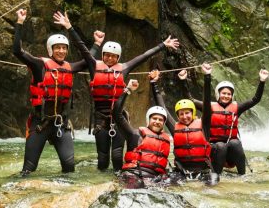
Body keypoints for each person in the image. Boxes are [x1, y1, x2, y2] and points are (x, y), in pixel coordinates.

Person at [13, 9, 104, 176]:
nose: (61, 51)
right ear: (50, 50)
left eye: (64, 48)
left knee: (69, 168)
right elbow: (17, 51)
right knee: (28, 169)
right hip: (40, 124)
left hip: (61, 124)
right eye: (57, 48)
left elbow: (88, 59)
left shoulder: (70, 68)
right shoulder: (39, 65)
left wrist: (95, 43)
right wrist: (19, 22)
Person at [75, 28, 179, 172]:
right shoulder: (94, 66)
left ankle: (119, 182)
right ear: (103, 55)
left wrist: (163, 45)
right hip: (100, 120)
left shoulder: (124, 68)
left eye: (114, 56)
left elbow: (143, 56)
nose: (110, 59)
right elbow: (83, 49)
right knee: (103, 158)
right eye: (107, 56)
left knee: (117, 156)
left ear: (118, 58)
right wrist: (70, 27)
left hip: (119, 118)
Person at [178, 68, 269, 175]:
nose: (226, 96)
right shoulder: (209, 107)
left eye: (228, 94)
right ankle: (216, 176)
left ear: (232, 96)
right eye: (223, 93)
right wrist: (182, 80)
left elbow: (255, 99)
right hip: (213, 150)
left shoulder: (237, 107)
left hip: (230, 150)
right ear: (218, 94)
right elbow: (190, 100)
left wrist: (262, 81)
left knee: (235, 143)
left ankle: (242, 175)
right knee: (221, 145)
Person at [150, 64, 217, 184]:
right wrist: (153, 83)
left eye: (187, 113)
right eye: (181, 114)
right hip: (182, 172)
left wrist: (207, 76)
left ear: (193, 113)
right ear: (177, 116)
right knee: (167, 184)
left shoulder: (204, 125)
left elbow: (207, 104)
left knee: (213, 185)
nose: (184, 116)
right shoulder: (175, 127)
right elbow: (162, 107)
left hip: (204, 172)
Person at [111, 79, 171, 188]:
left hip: (154, 178)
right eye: (154, 118)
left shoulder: (166, 139)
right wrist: (128, 90)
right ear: (148, 119)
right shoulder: (134, 135)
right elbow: (116, 113)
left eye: (160, 120)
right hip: (133, 175)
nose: (157, 122)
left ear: (163, 123)